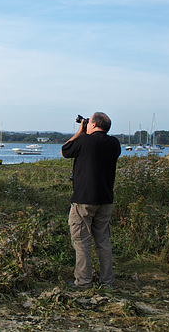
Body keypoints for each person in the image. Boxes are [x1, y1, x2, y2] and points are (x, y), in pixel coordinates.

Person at [61, 112, 121, 288]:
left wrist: (80, 131)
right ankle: (107, 281)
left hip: (84, 200)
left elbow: (65, 150)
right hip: (105, 199)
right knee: (103, 241)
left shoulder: (84, 141)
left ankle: (84, 281)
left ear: (93, 125)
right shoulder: (114, 144)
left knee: (81, 240)